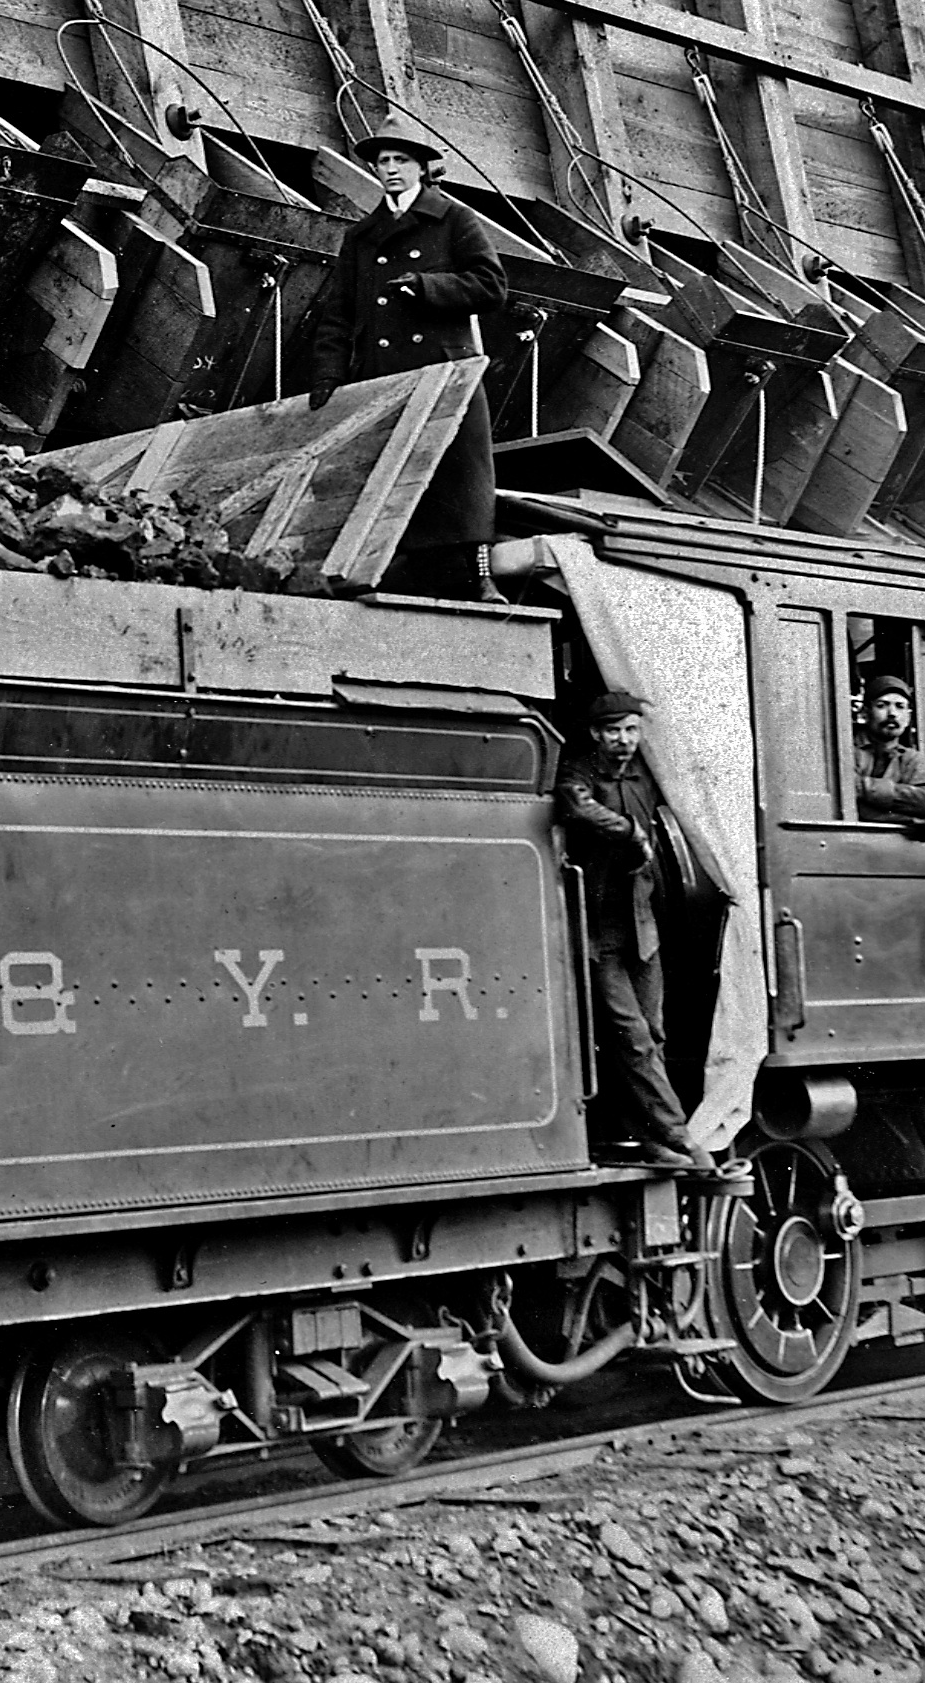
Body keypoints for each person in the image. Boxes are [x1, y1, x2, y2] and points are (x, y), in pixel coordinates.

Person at [302, 130, 509, 602]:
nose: (391, 169)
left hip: (445, 372)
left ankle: (480, 577)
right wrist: (329, 376)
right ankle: (396, 575)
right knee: (392, 476)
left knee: (463, 478)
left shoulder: (454, 218)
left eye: (401, 160)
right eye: (383, 162)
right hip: (384, 375)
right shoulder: (360, 236)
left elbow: (492, 286)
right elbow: (339, 314)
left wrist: (429, 287)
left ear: (421, 168)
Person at [553, 690, 725, 1173]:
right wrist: (631, 833)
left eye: (631, 730)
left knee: (653, 1034)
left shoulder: (646, 777)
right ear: (595, 734)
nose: (624, 740)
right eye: (613, 731)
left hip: (642, 925)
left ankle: (649, 1139)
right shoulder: (578, 772)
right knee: (632, 1037)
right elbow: (578, 807)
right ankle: (680, 1136)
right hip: (597, 929)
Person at [854, 673, 925, 829]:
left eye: (900, 706)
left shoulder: (912, 758)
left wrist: (863, 786)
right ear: (865, 713)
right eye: (882, 705)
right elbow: (851, 807)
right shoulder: (848, 752)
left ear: (908, 718)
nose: (892, 713)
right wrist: (911, 819)